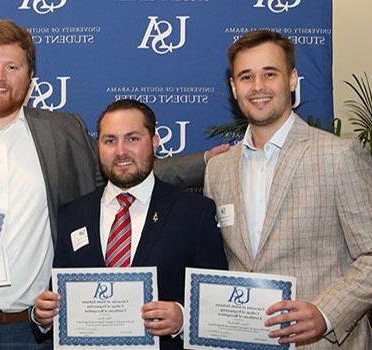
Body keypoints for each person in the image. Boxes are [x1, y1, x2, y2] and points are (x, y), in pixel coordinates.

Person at [0, 19, 224, 350]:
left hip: (37, 332)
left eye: (13, 67)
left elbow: (124, 172)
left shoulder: (64, 133)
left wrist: (208, 161)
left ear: (30, 79)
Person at [203, 29, 372, 349]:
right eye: (246, 77)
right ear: (233, 87)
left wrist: (326, 313)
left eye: (270, 74)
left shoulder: (338, 156)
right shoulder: (218, 169)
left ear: (293, 79)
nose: (257, 87)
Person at [31, 99, 228, 349]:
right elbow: (57, 299)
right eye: (110, 140)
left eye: (132, 138)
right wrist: (42, 316)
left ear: (154, 142)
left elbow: (217, 305)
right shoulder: (73, 215)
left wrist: (182, 317)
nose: (121, 151)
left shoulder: (194, 212)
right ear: (98, 147)